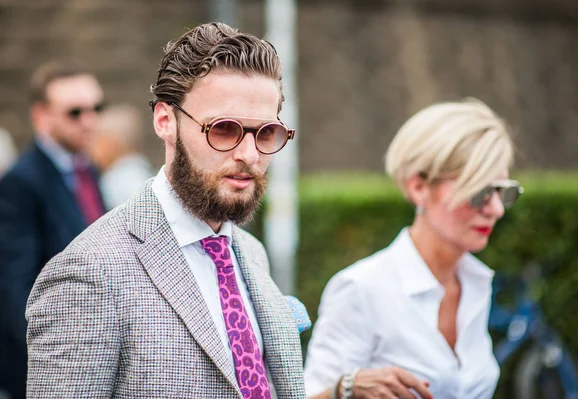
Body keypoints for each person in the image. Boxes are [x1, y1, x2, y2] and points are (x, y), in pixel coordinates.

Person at [26, 22, 305, 398]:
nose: (249, 154)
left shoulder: (251, 254)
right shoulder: (89, 274)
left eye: (266, 132)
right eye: (224, 129)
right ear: (164, 121)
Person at [304, 99, 523, 399]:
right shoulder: (361, 289)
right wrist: (346, 390)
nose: (496, 209)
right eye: (480, 191)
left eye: (503, 191)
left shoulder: (474, 284)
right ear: (418, 187)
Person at [0, 58, 106, 399]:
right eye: (75, 112)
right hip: (49, 368)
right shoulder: (21, 183)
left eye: (96, 108)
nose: (89, 121)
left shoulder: (88, 170)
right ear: (41, 116)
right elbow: (16, 291)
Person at [88, 103, 155, 209]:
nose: (89, 148)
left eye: (95, 141)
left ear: (111, 143)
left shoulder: (117, 181)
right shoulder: (140, 171)